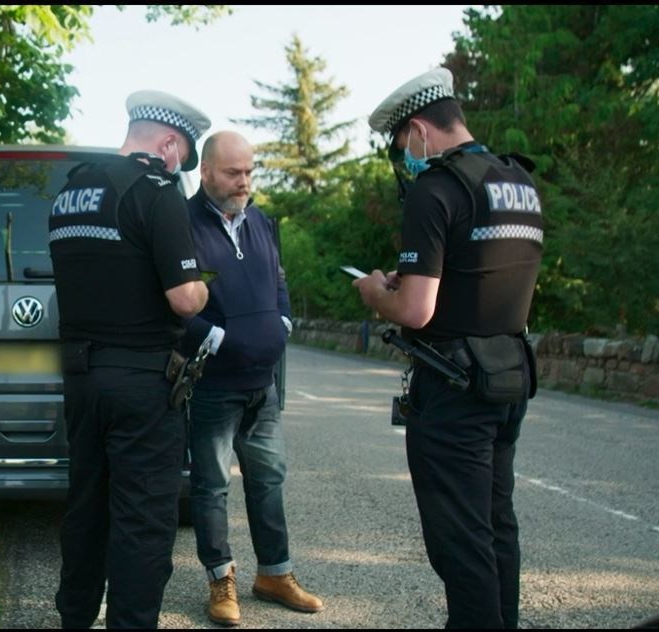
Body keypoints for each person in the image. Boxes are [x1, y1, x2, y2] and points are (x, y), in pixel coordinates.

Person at [354, 67, 543, 629]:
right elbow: (488, 276)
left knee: (461, 547)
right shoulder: (518, 180)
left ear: (417, 131)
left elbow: (416, 311)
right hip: (507, 377)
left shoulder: (435, 189)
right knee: (495, 527)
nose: (403, 157)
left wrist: (374, 293)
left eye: (399, 146)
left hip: (453, 386)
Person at [48, 89, 211, 629]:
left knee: (86, 507)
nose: (179, 167)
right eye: (182, 156)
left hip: (81, 379)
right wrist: (205, 290)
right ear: (167, 142)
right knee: (143, 521)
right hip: (142, 383)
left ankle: (74, 616)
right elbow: (184, 299)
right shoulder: (155, 190)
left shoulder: (71, 190)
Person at [180, 131, 324, 626]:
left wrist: (282, 323)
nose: (244, 182)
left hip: (262, 384)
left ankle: (274, 574)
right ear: (205, 172)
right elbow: (171, 304)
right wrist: (217, 340)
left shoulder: (261, 221)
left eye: (249, 172)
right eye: (232, 173)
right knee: (212, 485)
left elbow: (278, 281)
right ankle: (221, 580)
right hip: (213, 385)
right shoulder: (181, 225)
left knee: (268, 481)